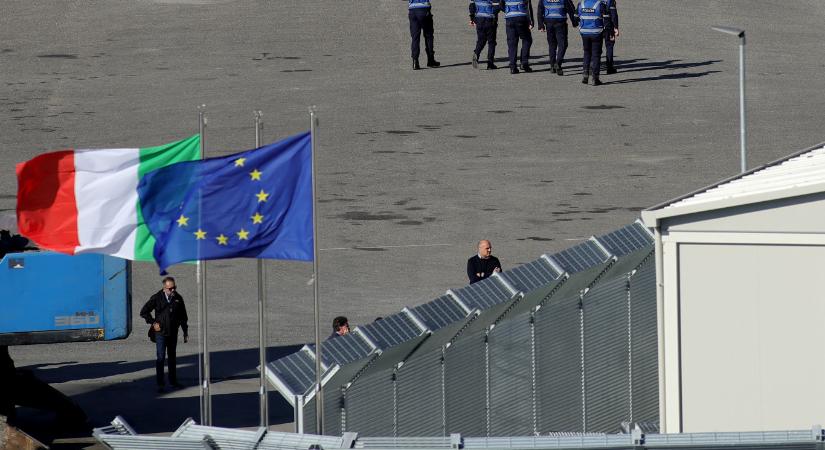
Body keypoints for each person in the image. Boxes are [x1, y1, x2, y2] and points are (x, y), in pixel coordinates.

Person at [140, 276, 189, 392]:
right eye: (170, 288)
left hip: (173, 332)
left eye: (174, 288)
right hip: (160, 333)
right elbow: (144, 312)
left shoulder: (178, 298)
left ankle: (173, 382)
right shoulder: (157, 298)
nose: (173, 291)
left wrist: (185, 331)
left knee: (172, 358)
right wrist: (153, 323)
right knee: (161, 358)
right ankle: (160, 384)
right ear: (164, 288)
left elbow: (183, 316)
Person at [576, 0, 612, 86]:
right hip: (597, 32)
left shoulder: (581, 4)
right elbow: (607, 19)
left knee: (587, 53)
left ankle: (585, 74)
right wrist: (609, 32)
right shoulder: (600, 4)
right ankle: (595, 78)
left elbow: (575, 17)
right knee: (596, 55)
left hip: (584, 33)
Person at [537, 0, 578, 75]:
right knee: (563, 44)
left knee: (552, 45)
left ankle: (552, 66)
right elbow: (571, 9)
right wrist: (574, 22)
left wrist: (541, 25)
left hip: (549, 23)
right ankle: (558, 63)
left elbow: (540, 10)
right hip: (560, 23)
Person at [503, 0, 535, 74]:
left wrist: (508, 11)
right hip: (521, 18)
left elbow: (501, 4)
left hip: (509, 18)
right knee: (527, 40)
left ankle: (513, 67)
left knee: (512, 43)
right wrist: (531, 21)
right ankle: (524, 63)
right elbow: (528, 7)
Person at [469, 0, 502, 70]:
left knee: (481, 40)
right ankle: (490, 63)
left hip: (479, 19)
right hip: (490, 19)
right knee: (491, 42)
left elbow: (472, 5)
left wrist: (472, 18)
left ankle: (476, 54)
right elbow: (497, 7)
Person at [408, 0, 441, 70]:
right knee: (428, 35)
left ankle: (415, 61)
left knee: (415, 37)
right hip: (424, 9)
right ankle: (430, 59)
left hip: (412, 10)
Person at [603, 0, 619, 74]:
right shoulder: (610, 1)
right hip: (608, 27)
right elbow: (614, 15)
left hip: (596, 26)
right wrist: (616, 27)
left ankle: (591, 67)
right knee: (609, 46)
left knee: (594, 47)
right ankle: (609, 68)